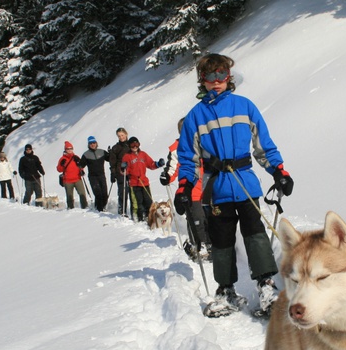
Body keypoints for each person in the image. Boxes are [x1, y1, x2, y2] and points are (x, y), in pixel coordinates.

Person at [176, 53, 294, 318]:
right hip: (216, 189)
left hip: (246, 185)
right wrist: (185, 188)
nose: (217, 81)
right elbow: (188, 158)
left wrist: (278, 171)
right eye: (210, 76)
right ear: (202, 81)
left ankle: (266, 286)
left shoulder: (245, 106)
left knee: (256, 235)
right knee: (221, 241)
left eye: (222, 75)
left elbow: (263, 145)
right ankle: (226, 290)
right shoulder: (195, 117)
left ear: (228, 77)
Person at [160, 118, 211, 261]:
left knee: (210, 218)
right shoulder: (177, 148)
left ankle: (211, 243)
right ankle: (197, 245)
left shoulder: (203, 142)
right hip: (192, 190)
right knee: (197, 218)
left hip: (208, 188)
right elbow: (173, 167)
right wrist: (167, 177)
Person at [121, 137, 164, 222]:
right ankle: (138, 218)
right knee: (138, 203)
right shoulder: (127, 156)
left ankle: (150, 217)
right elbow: (124, 171)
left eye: (136, 144)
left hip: (144, 182)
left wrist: (158, 164)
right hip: (134, 183)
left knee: (148, 201)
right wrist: (123, 168)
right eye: (132, 145)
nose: (134, 146)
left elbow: (150, 164)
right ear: (129, 146)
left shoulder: (143, 154)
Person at [80, 135, 109, 211]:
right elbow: (81, 165)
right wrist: (81, 170)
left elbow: (109, 159)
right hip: (93, 177)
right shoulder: (86, 154)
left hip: (102, 175)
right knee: (98, 194)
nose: (92, 144)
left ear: (96, 143)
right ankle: (100, 210)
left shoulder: (102, 152)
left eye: (93, 143)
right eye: (90, 143)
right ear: (88, 145)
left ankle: (101, 207)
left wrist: (111, 152)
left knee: (105, 194)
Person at [57, 141, 88, 209]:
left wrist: (82, 171)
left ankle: (85, 207)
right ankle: (70, 208)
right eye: (68, 149)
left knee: (82, 194)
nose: (70, 150)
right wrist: (62, 165)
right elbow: (59, 169)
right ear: (65, 150)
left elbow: (80, 166)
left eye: (71, 148)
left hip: (77, 179)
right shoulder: (62, 159)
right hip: (67, 181)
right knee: (69, 196)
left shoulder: (76, 157)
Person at [108, 127, 131, 216]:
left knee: (133, 192)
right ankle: (122, 211)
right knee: (123, 192)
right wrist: (113, 173)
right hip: (120, 172)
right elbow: (112, 162)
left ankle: (135, 212)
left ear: (126, 134)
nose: (121, 137)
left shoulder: (131, 145)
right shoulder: (116, 148)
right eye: (119, 136)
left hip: (131, 171)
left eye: (122, 135)